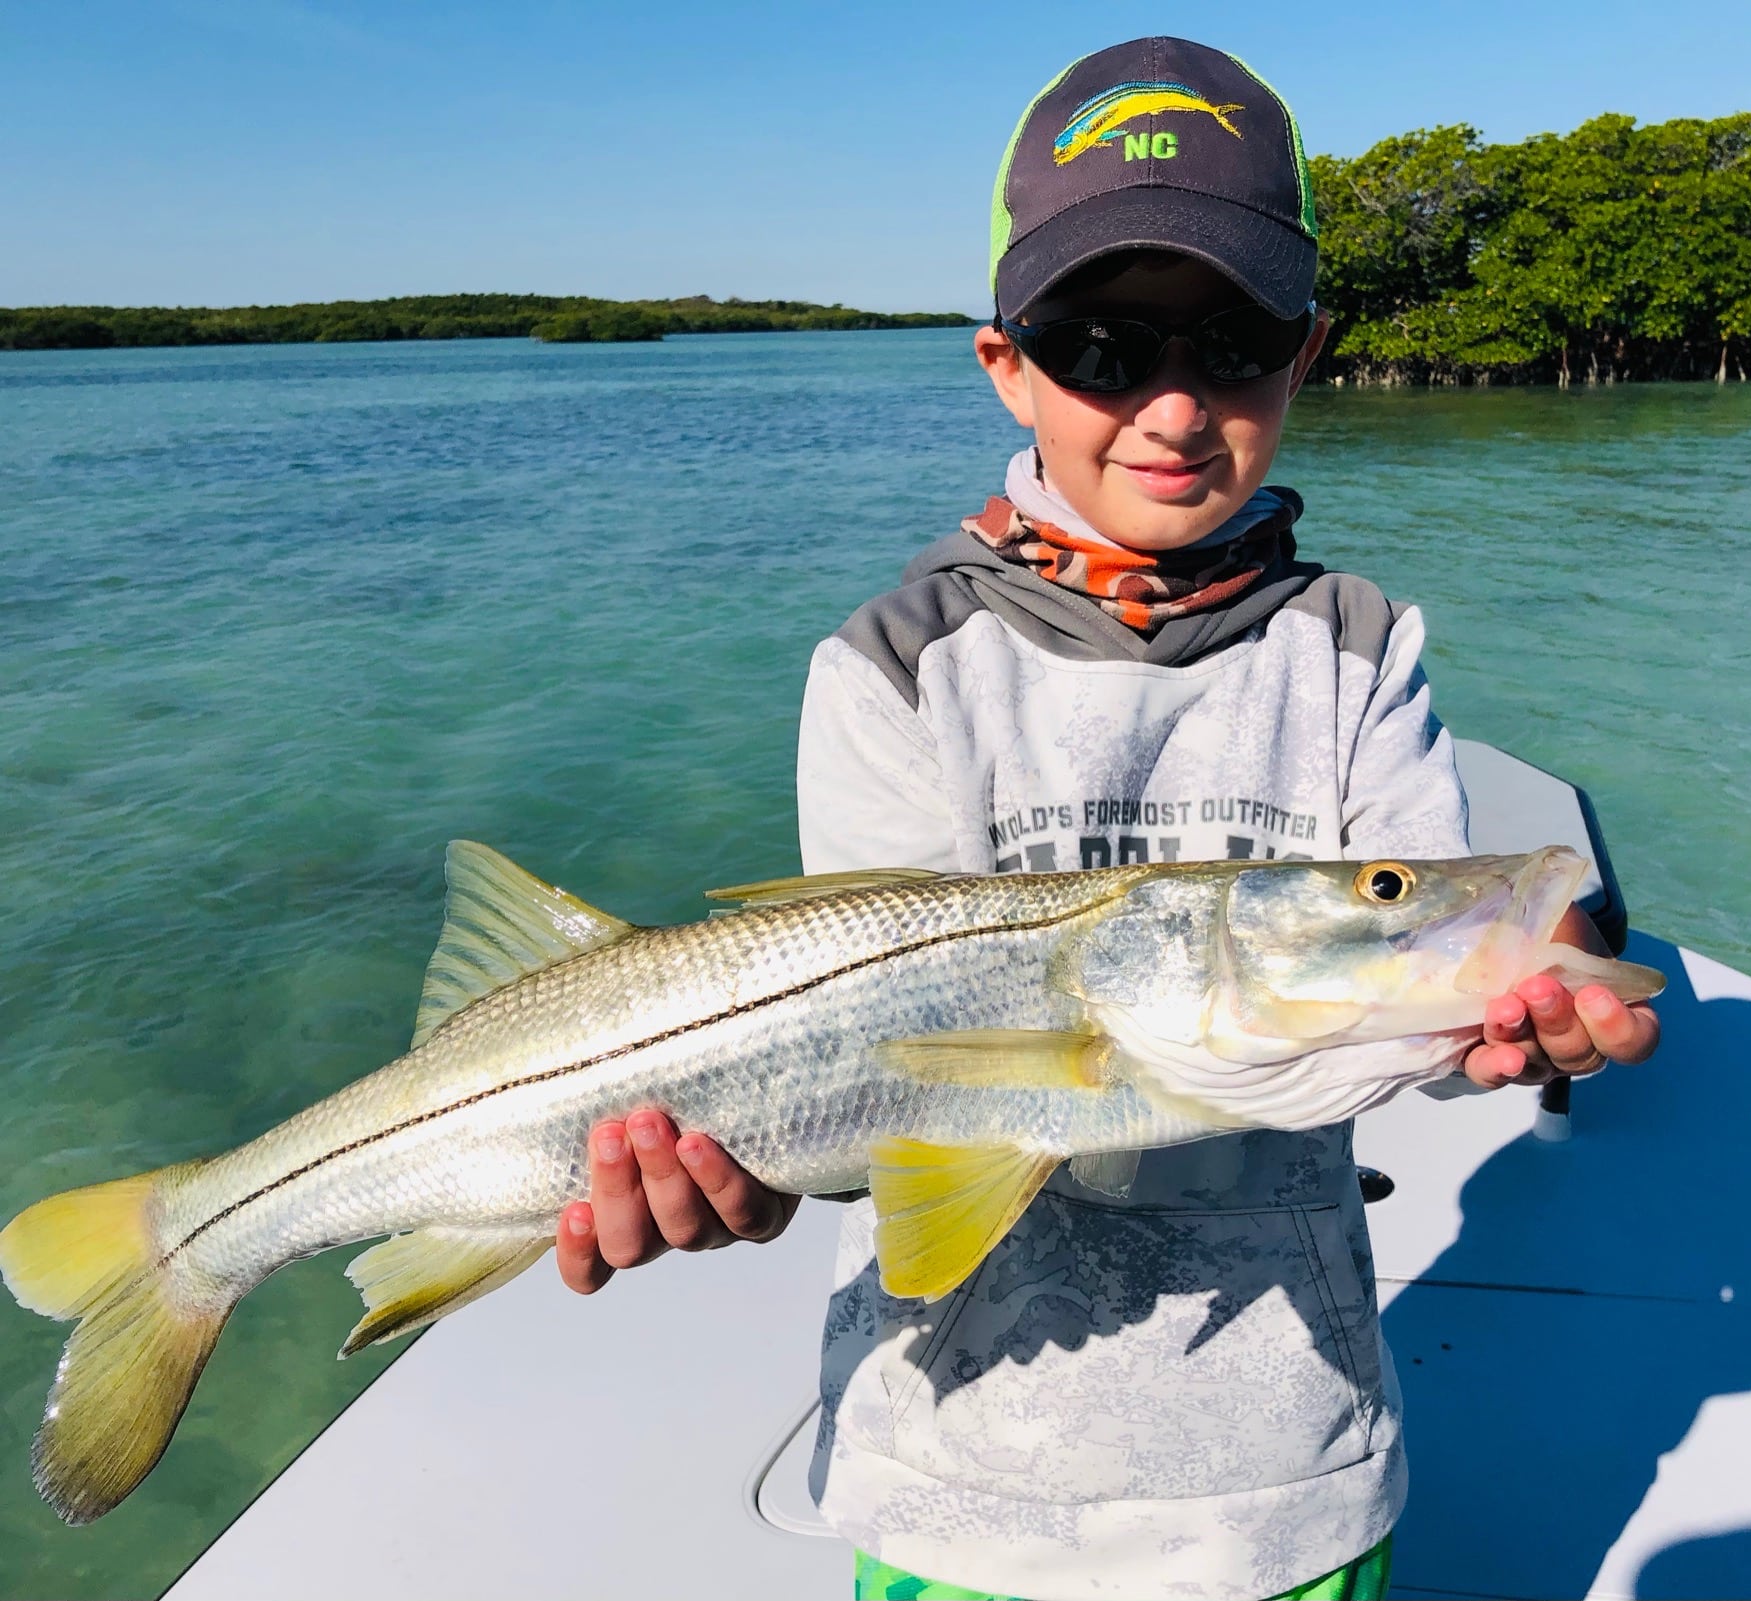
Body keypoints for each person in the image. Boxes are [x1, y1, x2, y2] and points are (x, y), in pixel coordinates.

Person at [553, 36, 1660, 1601]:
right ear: (1007, 362)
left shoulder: (1360, 646)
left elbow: (1437, 965)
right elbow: (890, 1095)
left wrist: (1537, 976)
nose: (1174, 403)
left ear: (1308, 348)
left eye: (1234, 337)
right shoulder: (893, 665)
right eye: (1099, 342)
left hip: (1289, 1479)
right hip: (956, 1487)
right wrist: (754, 1172)